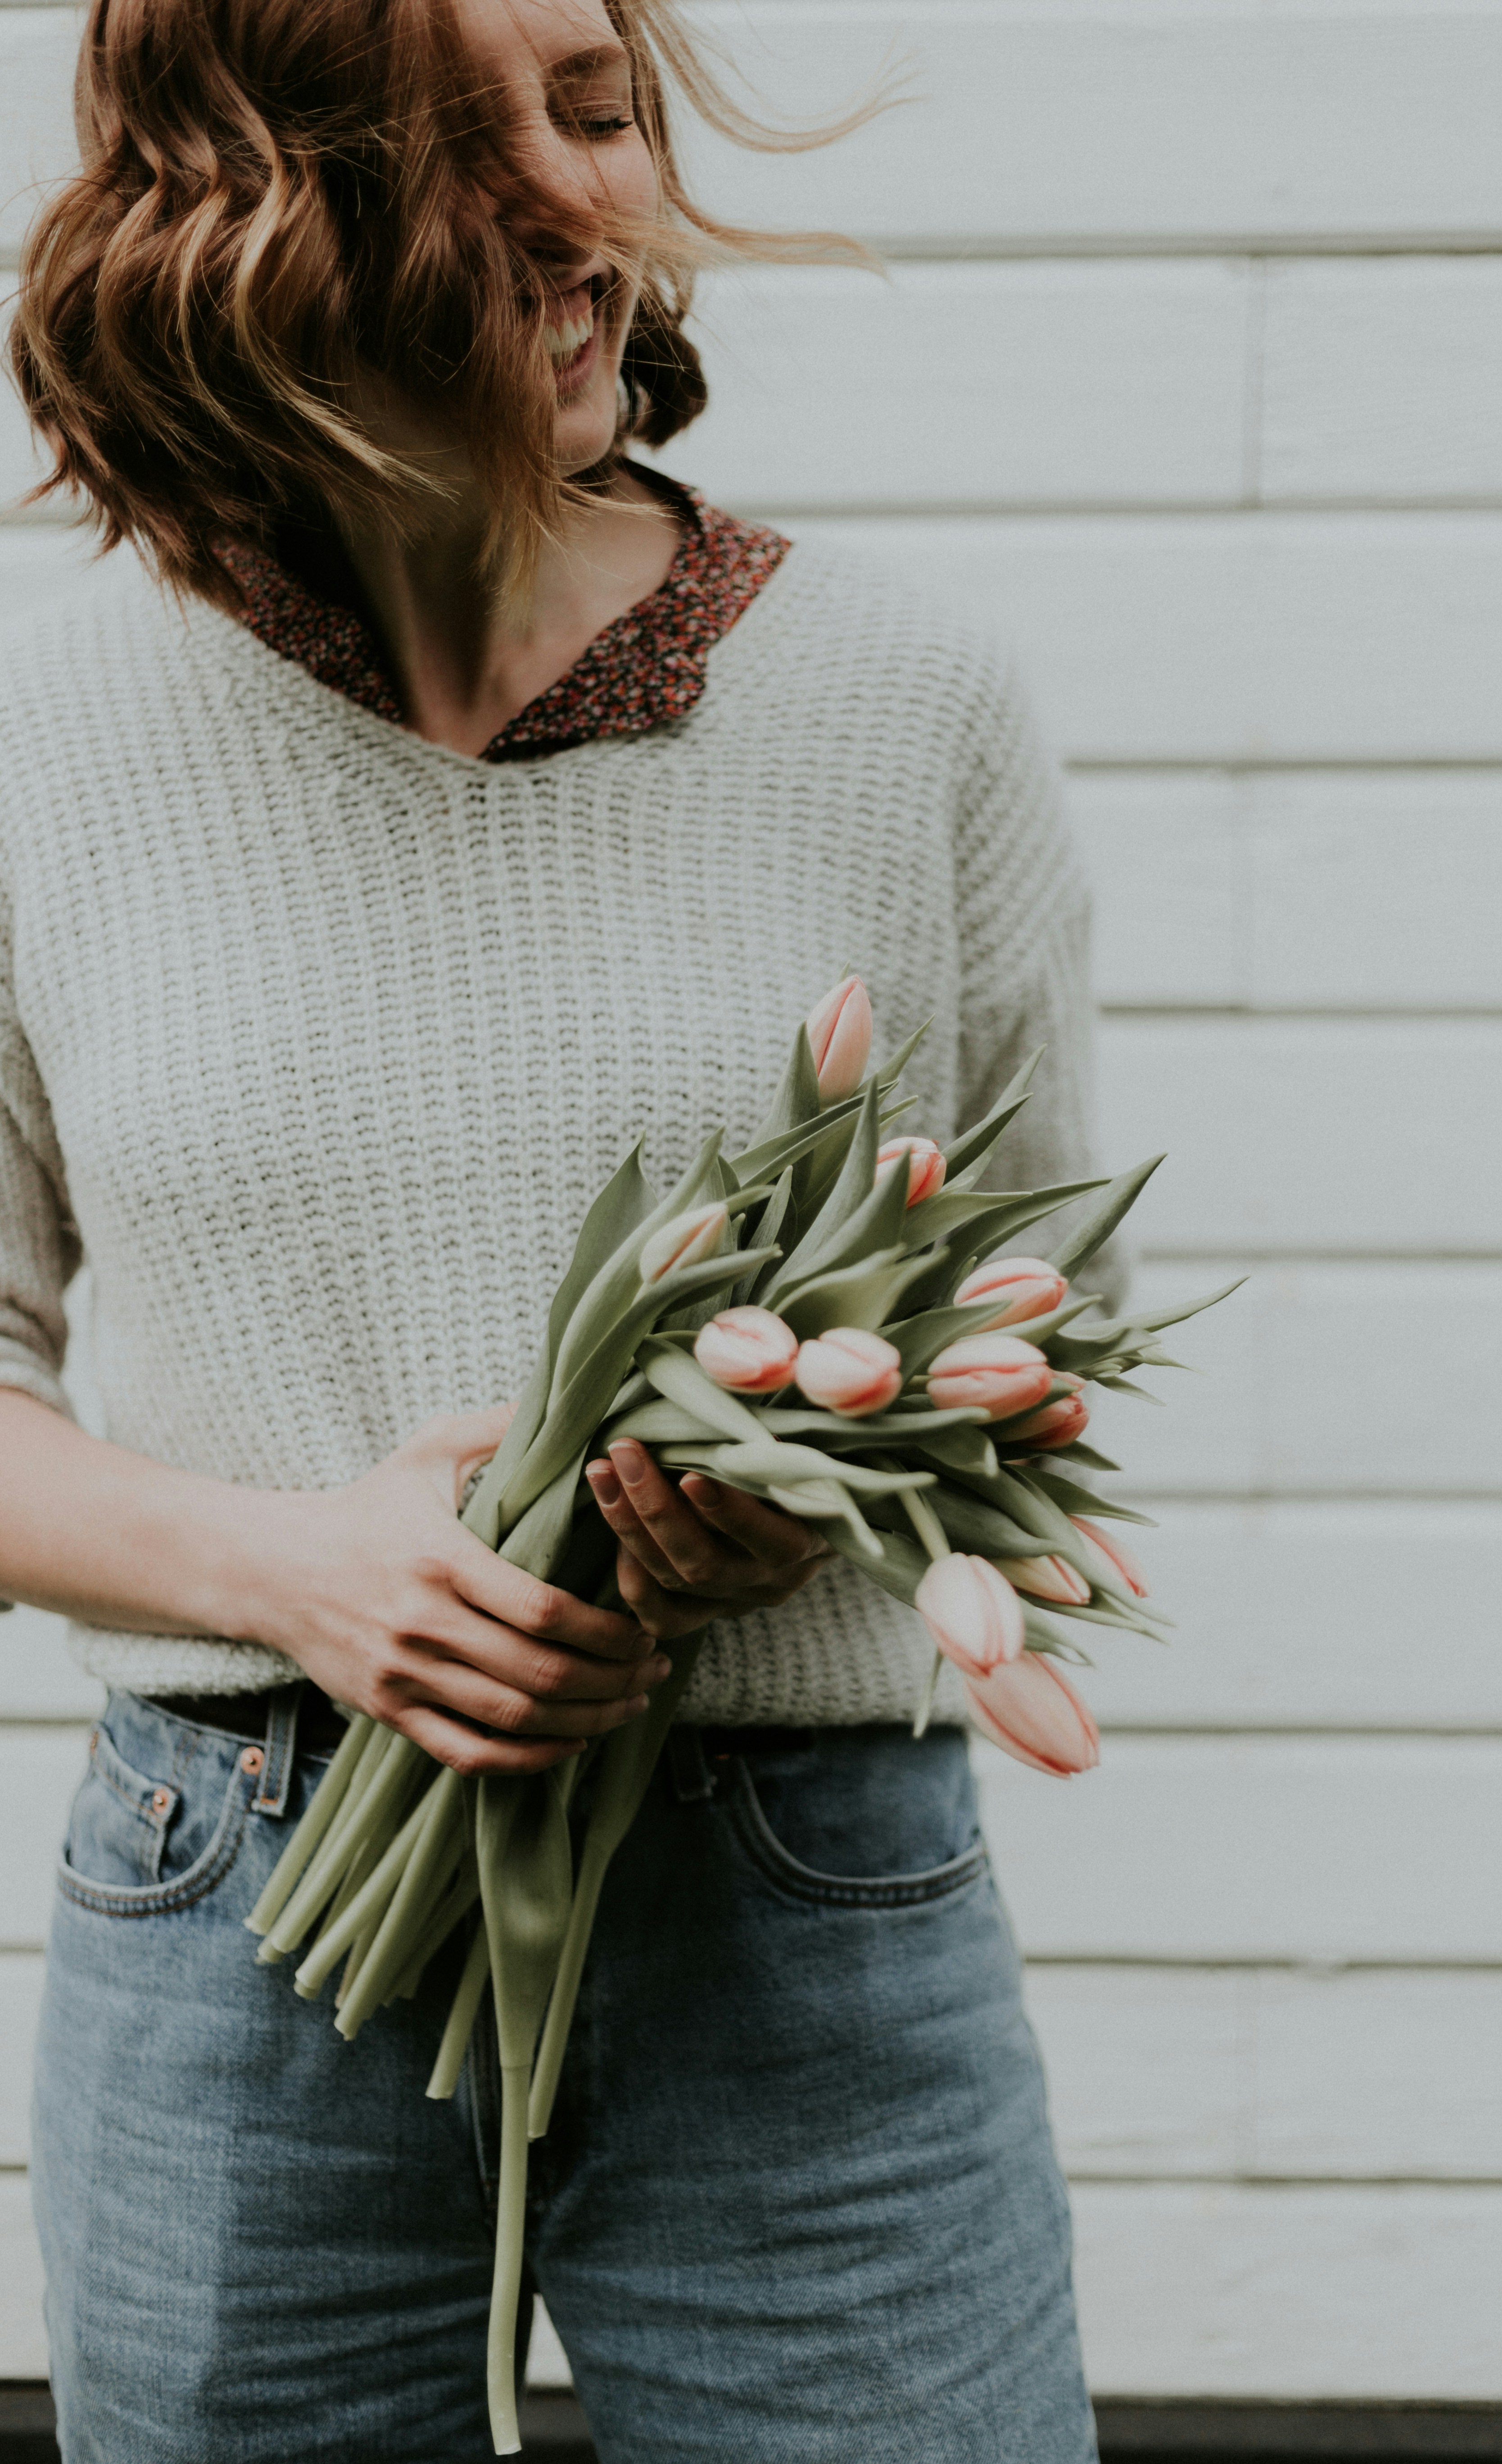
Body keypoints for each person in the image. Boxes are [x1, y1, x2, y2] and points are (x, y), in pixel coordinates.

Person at [5, 0, 1110, 2455]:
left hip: (801, 1900)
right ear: (252, 219)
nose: (586, 200)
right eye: (456, 147)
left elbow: (1050, 1313)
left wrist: (788, 1494)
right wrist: (299, 1569)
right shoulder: (47, 743)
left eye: (597, 111)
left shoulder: (906, 700)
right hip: (248, 1908)